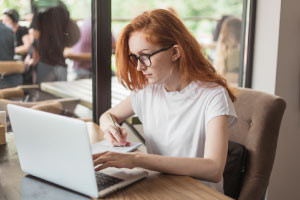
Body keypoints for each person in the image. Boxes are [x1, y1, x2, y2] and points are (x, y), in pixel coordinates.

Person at [93, 9, 237, 194]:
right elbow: (108, 116)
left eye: (145, 56)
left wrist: (137, 159)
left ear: (175, 52)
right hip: (161, 187)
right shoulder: (148, 91)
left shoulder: (213, 96)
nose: (139, 66)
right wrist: (110, 128)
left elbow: (214, 169)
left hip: (198, 194)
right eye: (135, 57)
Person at [30, 1, 80, 83]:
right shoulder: (62, 5)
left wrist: (34, 55)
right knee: (60, 93)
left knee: (45, 93)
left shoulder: (39, 5)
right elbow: (70, 31)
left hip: (45, 63)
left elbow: (35, 34)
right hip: (61, 62)